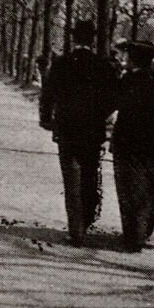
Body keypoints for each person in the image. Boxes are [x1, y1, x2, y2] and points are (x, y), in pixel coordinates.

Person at [39, 19, 119, 246]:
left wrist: (46, 119)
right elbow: (113, 98)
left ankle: (76, 231)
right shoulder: (102, 65)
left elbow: (47, 94)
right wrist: (100, 116)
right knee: (91, 175)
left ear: (74, 38)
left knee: (71, 177)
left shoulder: (61, 63)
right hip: (92, 130)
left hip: (66, 128)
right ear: (93, 39)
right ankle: (87, 222)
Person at [111, 40, 154, 253]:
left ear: (134, 58)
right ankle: (141, 230)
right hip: (150, 144)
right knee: (146, 186)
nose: (124, 60)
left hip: (126, 143)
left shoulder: (128, 80)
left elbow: (115, 102)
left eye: (128, 56)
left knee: (127, 188)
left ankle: (133, 234)